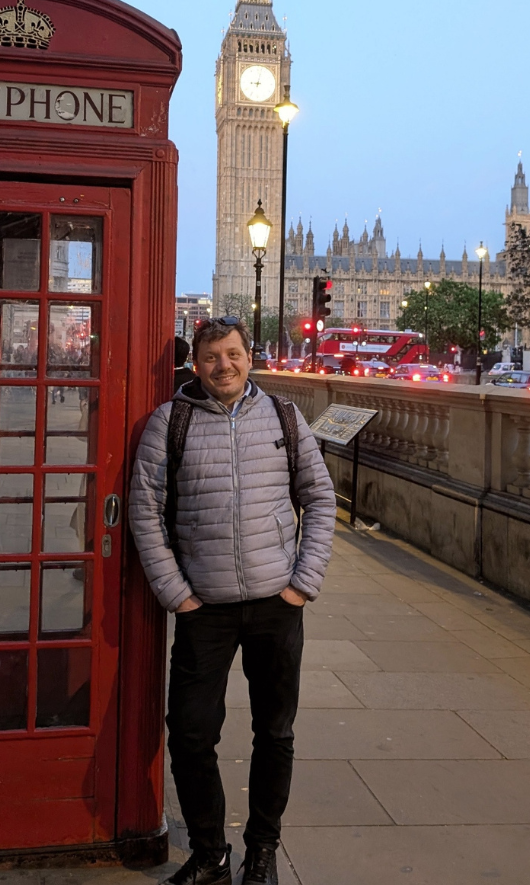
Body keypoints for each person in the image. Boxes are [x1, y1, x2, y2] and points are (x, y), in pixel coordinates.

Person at [129, 316, 336, 885]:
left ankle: (262, 848)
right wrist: (177, 593)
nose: (224, 365)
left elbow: (320, 499)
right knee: (191, 733)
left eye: (233, 353)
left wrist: (302, 583)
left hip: (277, 603)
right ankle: (209, 852)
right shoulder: (168, 424)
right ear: (195, 364)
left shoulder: (284, 418)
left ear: (251, 357)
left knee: (275, 732)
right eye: (212, 356)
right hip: (205, 609)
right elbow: (144, 514)